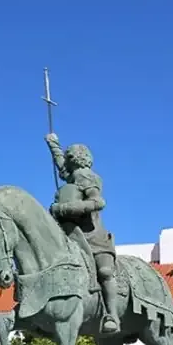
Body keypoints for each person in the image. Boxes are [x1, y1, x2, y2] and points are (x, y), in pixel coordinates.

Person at [44, 133, 120, 334]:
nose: (65, 164)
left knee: (105, 272)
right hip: (71, 235)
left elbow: (98, 202)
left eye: (68, 158)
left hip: (93, 236)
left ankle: (111, 314)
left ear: (75, 159)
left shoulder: (88, 176)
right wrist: (54, 145)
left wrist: (64, 209)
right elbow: (61, 166)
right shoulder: (72, 175)